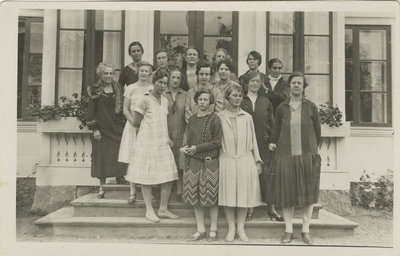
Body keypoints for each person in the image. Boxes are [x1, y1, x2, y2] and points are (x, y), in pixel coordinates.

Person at [268, 71, 321, 245]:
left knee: (308, 194)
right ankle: (288, 230)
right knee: (286, 194)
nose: (296, 85)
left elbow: (317, 133)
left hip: (307, 156)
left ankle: (306, 230)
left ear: (304, 86)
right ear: (289, 86)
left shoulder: (311, 107)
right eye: (293, 83)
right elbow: (276, 131)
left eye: (299, 83)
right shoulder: (282, 108)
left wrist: (312, 151)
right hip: (286, 156)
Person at [124, 70, 180, 223]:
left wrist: (167, 137)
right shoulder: (144, 100)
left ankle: (163, 209)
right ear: (153, 82)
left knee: (168, 177)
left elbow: (163, 121)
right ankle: (149, 210)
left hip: (162, 142)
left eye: (164, 83)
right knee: (146, 177)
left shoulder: (165, 100)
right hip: (147, 142)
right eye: (159, 82)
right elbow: (135, 122)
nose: (162, 86)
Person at [218, 84, 263, 243]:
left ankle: (241, 228)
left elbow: (254, 141)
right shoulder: (220, 117)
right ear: (227, 97)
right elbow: (217, 141)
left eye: (240, 96)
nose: (238, 98)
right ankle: (231, 228)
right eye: (235, 95)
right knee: (228, 195)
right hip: (226, 159)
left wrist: (257, 160)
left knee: (243, 195)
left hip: (245, 160)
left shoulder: (247, 117)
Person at [240, 71, 284, 222]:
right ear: (247, 83)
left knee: (267, 177)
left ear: (261, 84)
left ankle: (271, 209)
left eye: (257, 81)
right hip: (245, 145)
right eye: (252, 81)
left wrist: (272, 141)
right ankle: (249, 209)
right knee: (249, 177)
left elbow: (273, 124)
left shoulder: (265, 102)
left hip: (264, 145)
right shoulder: (241, 100)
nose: (254, 84)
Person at [181, 89, 222, 242]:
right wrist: (186, 147)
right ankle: (200, 229)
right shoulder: (191, 119)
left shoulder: (215, 118)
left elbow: (217, 142)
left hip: (210, 163)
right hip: (193, 163)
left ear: (211, 102)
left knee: (211, 197)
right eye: (200, 99)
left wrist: (197, 148)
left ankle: (213, 229)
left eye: (206, 100)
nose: (203, 102)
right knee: (195, 197)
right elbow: (189, 138)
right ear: (196, 101)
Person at [86, 61, 127, 198]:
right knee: (101, 158)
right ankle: (102, 188)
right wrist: (95, 129)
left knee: (119, 154)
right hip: (102, 129)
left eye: (111, 73)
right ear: (100, 74)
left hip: (116, 128)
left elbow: (122, 109)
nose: (109, 76)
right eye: (106, 73)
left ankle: (120, 178)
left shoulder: (119, 88)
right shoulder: (94, 89)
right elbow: (91, 110)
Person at [119, 61, 153, 203]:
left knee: (147, 158)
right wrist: (134, 122)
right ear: (137, 72)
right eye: (142, 71)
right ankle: (132, 192)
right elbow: (125, 109)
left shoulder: (152, 89)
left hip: (147, 126)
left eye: (146, 71)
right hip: (132, 125)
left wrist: (144, 124)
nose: (144, 73)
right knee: (133, 158)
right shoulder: (131, 88)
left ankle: (148, 192)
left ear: (150, 74)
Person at [164, 67, 187, 202]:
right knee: (165, 162)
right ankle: (164, 192)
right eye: (173, 77)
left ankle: (180, 190)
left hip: (180, 131)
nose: (175, 80)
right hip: (165, 132)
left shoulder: (185, 94)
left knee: (180, 161)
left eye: (178, 78)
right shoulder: (162, 94)